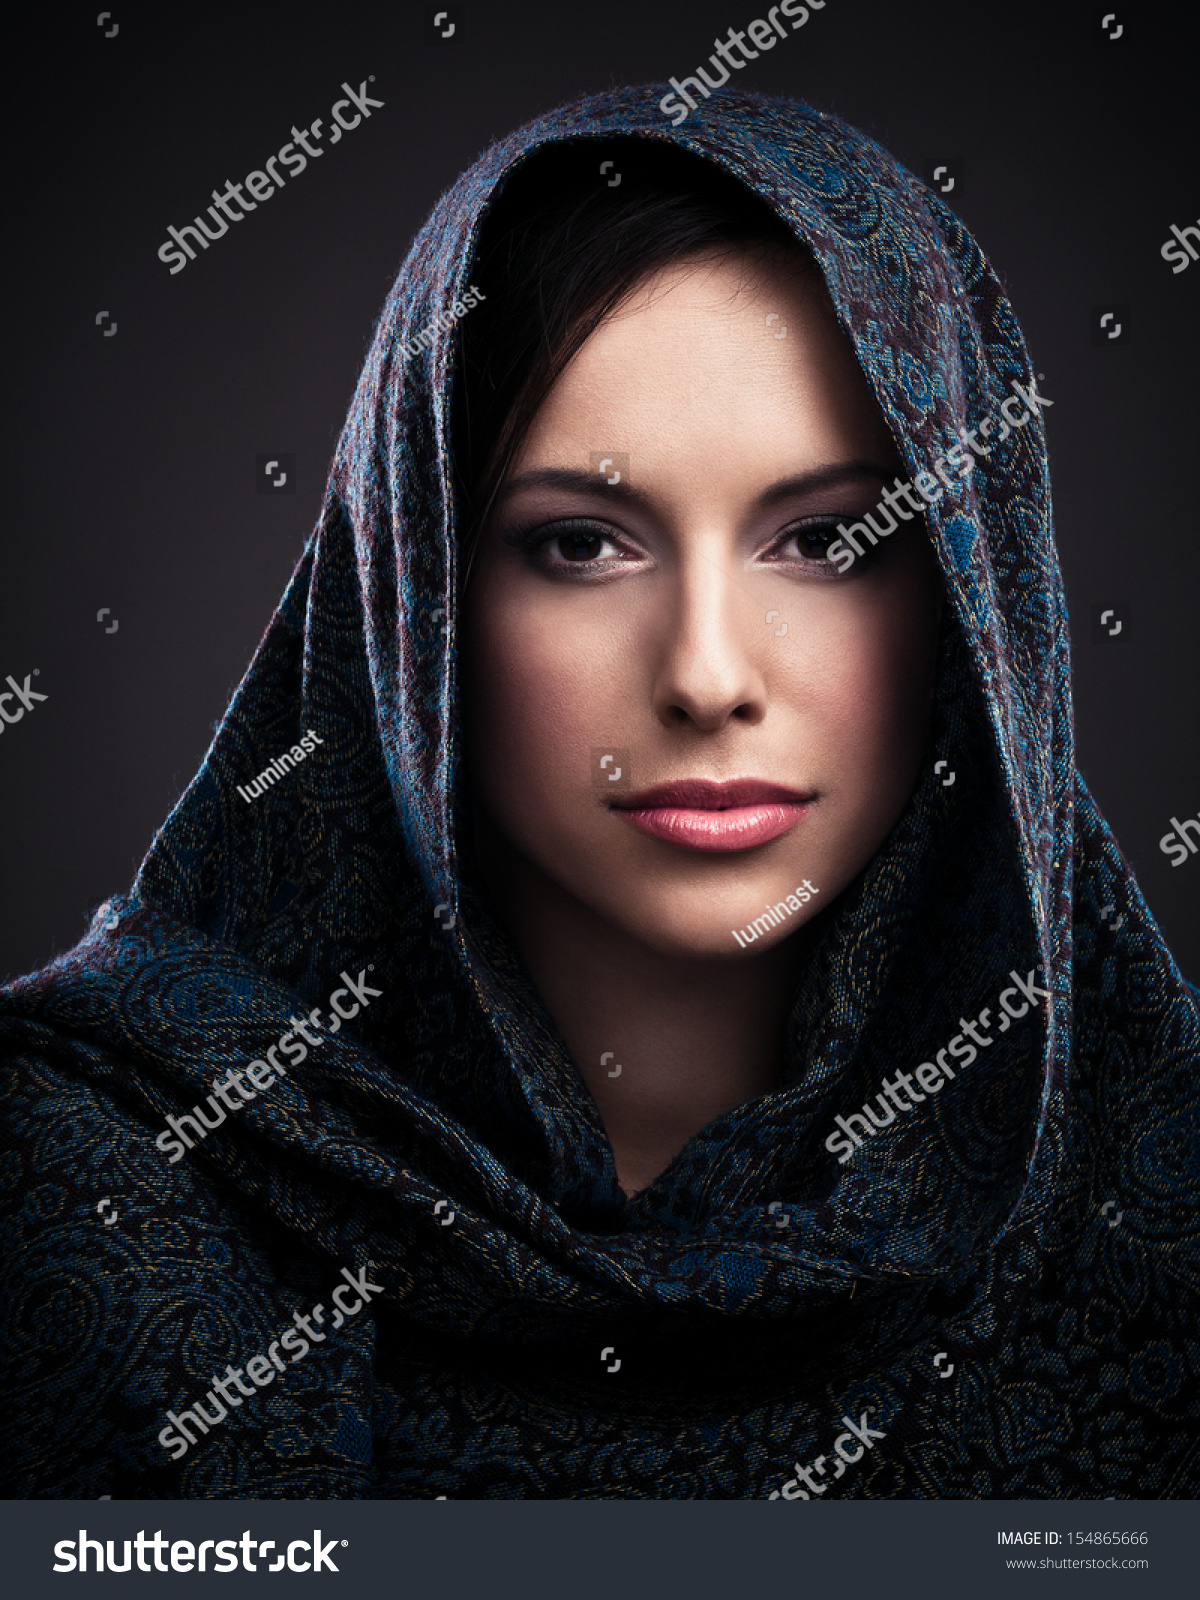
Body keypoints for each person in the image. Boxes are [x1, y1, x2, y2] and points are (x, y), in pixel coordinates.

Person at [1, 85, 1196, 1500]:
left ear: (968, 597)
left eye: (825, 541)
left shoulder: (1144, 1203)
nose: (705, 676)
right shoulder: (81, 1183)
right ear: (417, 599)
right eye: (580, 545)